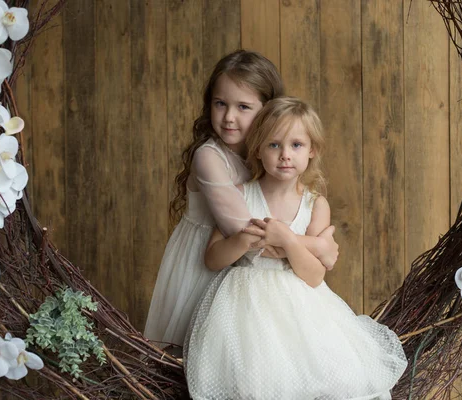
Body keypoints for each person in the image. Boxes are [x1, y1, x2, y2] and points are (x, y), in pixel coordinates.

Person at [184, 97, 407, 399]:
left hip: (300, 308)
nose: (285, 155)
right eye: (274, 145)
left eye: (297, 145)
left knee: (309, 376)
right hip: (244, 306)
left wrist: (287, 240)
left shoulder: (316, 205)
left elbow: (315, 276)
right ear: (258, 149)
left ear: (312, 150)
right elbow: (212, 258)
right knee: (256, 382)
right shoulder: (241, 195)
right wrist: (245, 239)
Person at [144, 51, 339, 347]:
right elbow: (245, 230)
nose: (229, 117)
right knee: (195, 349)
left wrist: (297, 244)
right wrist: (317, 246)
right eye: (220, 103)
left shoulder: (269, 156)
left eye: (243, 107)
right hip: (207, 263)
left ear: (267, 110)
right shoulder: (209, 156)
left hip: (253, 277)